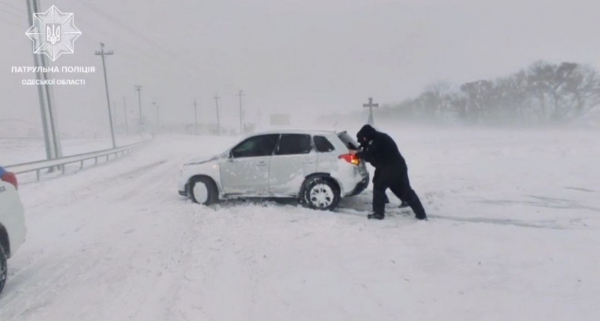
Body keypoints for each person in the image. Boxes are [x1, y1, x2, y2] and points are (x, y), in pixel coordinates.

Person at [353, 124, 427, 220]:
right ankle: (420, 213)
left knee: (379, 187)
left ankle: (378, 213)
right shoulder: (379, 137)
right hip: (398, 166)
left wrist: (358, 154)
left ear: (365, 136)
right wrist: (361, 147)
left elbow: (369, 156)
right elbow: (368, 146)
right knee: (400, 188)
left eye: (362, 139)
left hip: (390, 168)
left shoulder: (376, 142)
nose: (362, 141)